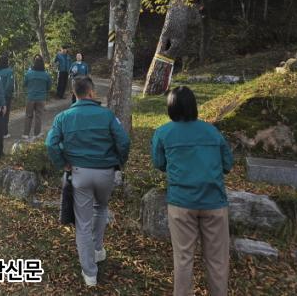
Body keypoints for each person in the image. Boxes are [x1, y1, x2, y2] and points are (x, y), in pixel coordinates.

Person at [45, 77, 130, 288]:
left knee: (82, 223)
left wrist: (63, 163)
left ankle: (90, 273)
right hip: (105, 172)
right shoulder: (107, 115)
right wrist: (119, 162)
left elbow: (51, 144)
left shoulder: (63, 117)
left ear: (74, 94)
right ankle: (98, 250)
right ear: (91, 92)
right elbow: (124, 141)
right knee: (101, 208)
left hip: (79, 173)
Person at [151, 86, 234, 296]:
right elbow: (228, 164)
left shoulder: (163, 133)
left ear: (171, 107)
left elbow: (159, 163)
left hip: (181, 203)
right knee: (217, 260)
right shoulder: (212, 131)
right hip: (214, 202)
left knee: (183, 258)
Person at [23, 55, 52, 138]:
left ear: (34, 64)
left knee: (28, 116)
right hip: (41, 98)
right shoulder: (46, 75)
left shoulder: (29, 73)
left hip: (30, 97)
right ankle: (36, 134)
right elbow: (49, 87)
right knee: (38, 116)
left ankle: (25, 134)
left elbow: (24, 84)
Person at [0, 54, 14, 139]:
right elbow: (9, 85)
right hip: (5, 96)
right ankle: (4, 132)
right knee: (5, 114)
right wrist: (6, 94)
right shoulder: (9, 71)